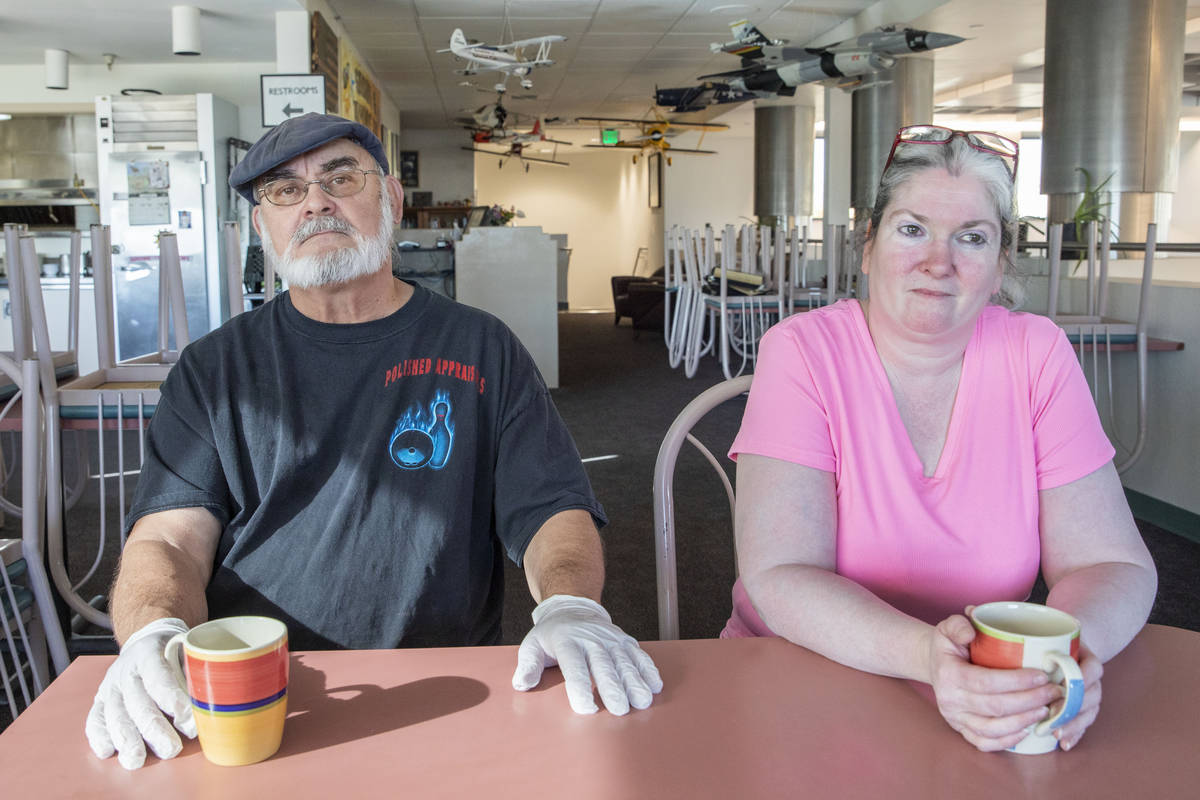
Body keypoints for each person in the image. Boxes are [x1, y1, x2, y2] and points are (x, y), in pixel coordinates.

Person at [84, 113, 661, 771]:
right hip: (256, 688)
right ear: (261, 225)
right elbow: (168, 538)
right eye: (284, 190)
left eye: (340, 177)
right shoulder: (214, 370)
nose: (315, 202)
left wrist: (569, 604)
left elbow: (551, 507)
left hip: (448, 684)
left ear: (388, 198)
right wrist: (153, 633)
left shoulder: (480, 347)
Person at [725, 125, 1157, 753]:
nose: (938, 261)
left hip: (991, 701)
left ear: (1000, 264)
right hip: (804, 677)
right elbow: (781, 572)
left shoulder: (1037, 354)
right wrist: (929, 655)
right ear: (867, 246)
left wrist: (1066, 651)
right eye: (912, 228)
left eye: (972, 238)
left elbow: (1111, 562)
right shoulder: (802, 350)